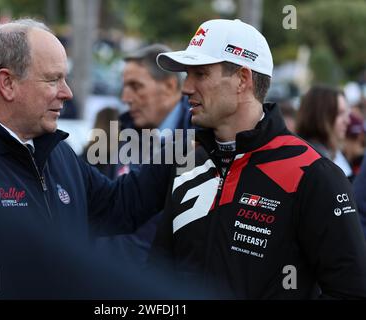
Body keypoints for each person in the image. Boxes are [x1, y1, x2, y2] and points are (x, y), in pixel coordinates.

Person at [0, 19, 174, 298]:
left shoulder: (55, 151)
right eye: (53, 79)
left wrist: (178, 155)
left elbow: (119, 206)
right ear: (8, 83)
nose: (67, 93)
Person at [149, 19, 366, 299]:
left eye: (200, 74)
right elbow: (156, 271)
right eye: (187, 75)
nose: (186, 87)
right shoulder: (188, 163)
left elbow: (352, 291)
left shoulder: (313, 173)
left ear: (242, 79)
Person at [91, 44, 193, 267]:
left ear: (169, 86)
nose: (126, 97)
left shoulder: (200, 143)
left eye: (136, 86)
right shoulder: (122, 132)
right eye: (124, 86)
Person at [296, 85, 352, 177]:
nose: (347, 121)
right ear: (320, 116)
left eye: (346, 113)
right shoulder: (314, 162)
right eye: (339, 113)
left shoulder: (331, 153)